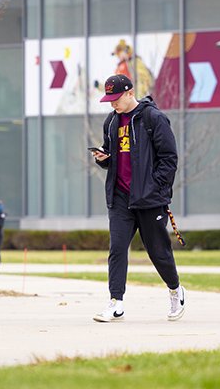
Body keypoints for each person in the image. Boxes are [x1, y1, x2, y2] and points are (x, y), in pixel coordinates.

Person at [91, 74, 185, 323]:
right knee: (117, 249)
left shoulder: (153, 119)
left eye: (116, 98)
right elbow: (115, 155)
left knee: (158, 251)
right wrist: (104, 159)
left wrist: (156, 188)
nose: (113, 104)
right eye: (109, 99)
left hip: (149, 198)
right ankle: (116, 303)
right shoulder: (111, 122)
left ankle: (175, 290)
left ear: (130, 93)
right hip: (120, 197)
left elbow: (169, 158)